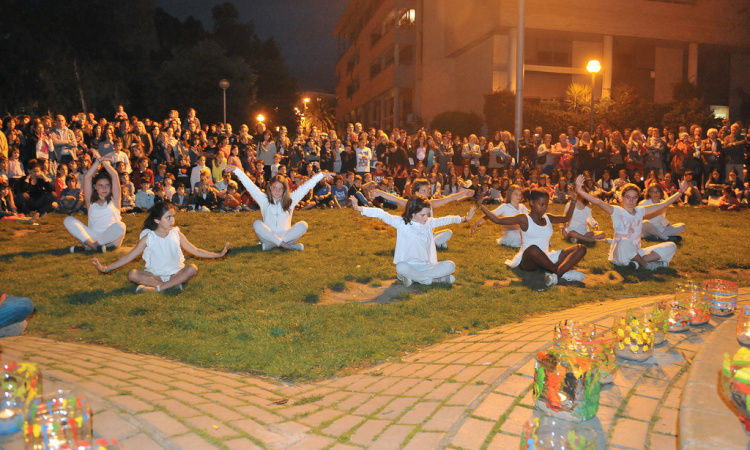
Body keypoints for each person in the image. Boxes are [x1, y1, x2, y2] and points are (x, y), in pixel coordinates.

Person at [93, 202, 229, 293]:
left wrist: (217, 255)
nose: (172, 221)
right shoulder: (149, 238)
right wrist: (107, 268)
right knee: (132, 274)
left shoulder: (176, 234)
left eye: (173, 217)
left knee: (193, 268)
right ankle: (172, 285)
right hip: (155, 275)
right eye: (168, 217)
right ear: (157, 220)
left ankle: (156, 289)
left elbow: (195, 250)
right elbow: (129, 256)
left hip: (176, 273)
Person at [476, 179, 587, 287]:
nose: (544, 208)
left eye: (546, 205)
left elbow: (566, 218)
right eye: (541, 204)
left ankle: (555, 275)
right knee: (533, 248)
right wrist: (481, 206)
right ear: (532, 203)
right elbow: (498, 220)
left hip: (546, 257)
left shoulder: (548, 218)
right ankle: (563, 273)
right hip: (528, 260)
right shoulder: (524, 219)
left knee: (581, 248)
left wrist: (573, 200)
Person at [352, 194, 475, 286]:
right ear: (412, 213)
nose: (426, 218)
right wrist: (359, 208)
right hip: (407, 267)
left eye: (427, 214)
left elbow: (447, 219)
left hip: (427, 267)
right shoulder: (401, 223)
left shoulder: (429, 223)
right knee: (400, 267)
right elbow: (382, 214)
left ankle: (421, 279)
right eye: (423, 215)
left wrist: (465, 218)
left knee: (450, 265)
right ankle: (434, 279)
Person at [574, 175, 688, 270]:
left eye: (634, 198)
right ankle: (646, 265)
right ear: (622, 197)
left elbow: (662, 205)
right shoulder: (617, 211)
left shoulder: (640, 211)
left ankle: (637, 263)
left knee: (671, 246)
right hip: (620, 255)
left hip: (637, 251)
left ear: (638, 198)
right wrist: (580, 191)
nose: (631, 200)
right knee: (624, 242)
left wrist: (681, 191)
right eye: (628, 197)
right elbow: (598, 202)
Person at [231, 165, 331, 251]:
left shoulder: (291, 199)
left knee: (304, 225)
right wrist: (236, 170)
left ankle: (273, 245)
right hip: (267, 237)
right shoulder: (263, 199)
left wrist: (321, 175)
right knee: (257, 224)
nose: (277, 191)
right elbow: (250, 186)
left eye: (280, 188)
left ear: (284, 190)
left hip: (286, 236)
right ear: (270, 188)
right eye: (275, 188)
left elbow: (306, 187)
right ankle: (287, 246)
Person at [64, 154, 126, 253]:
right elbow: (87, 177)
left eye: (107, 185)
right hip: (92, 237)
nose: (104, 188)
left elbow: (114, 175)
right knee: (68, 220)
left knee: (121, 226)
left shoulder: (114, 200)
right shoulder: (90, 201)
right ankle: (94, 246)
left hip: (111, 240)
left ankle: (89, 248)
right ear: (95, 187)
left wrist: (103, 161)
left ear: (110, 187)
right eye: (100, 185)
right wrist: (98, 161)